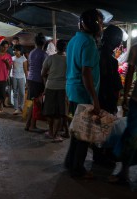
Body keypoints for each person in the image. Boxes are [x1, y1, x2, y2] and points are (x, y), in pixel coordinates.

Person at [64, 9, 104, 178]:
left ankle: (69, 162)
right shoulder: (88, 43)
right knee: (83, 133)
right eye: (100, 22)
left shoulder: (74, 40)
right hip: (83, 92)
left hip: (73, 90)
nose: (102, 26)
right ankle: (77, 169)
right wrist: (95, 100)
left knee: (76, 130)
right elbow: (86, 73)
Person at [93, 25, 124, 166]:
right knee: (105, 129)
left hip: (96, 96)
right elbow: (116, 85)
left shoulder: (95, 53)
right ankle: (102, 157)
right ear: (115, 41)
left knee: (98, 128)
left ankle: (98, 156)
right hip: (106, 99)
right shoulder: (111, 61)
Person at [109, 44, 137, 184]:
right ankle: (124, 172)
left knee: (131, 136)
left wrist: (125, 96)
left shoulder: (136, 48)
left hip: (136, 100)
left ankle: (124, 172)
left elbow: (131, 71)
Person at [41, 40, 67, 142]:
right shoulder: (68, 60)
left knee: (49, 112)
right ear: (65, 48)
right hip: (62, 88)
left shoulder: (50, 58)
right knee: (59, 113)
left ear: (56, 47)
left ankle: (51, 132)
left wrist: (46, 85)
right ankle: (55, 135)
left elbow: (43, 73)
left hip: (50, 87)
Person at [25, 33, 47, 132]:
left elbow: (31, 66)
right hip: (38, 80)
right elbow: (44, 71)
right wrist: (45, 84)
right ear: (44, 43)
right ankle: (32, 125)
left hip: (30, 79)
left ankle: (28, 124)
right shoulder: (44, 54)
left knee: (34, 102)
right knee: (36, 103)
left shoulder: (32, 53)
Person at [98, 25, 123, 115]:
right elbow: (112, 83)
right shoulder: (110, 60)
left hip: (97, 98)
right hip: (106, 101)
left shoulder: (96, 52)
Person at [11, 45, 28, 115]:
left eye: (17, 50)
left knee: (22, 93)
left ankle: (21, 106)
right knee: (15, 93)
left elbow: (25, 70)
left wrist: (27, 80)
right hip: (14, 77)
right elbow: (10, 68)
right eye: (14, 50)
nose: (15, 52)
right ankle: (16, 108)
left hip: (21, 77)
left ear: (20, 51)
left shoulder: (23, 59)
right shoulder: (12, 58)